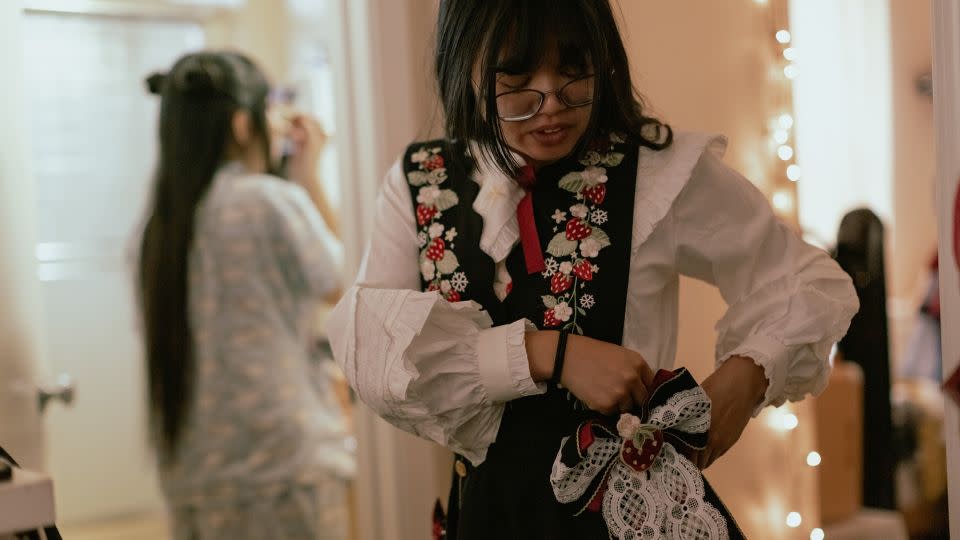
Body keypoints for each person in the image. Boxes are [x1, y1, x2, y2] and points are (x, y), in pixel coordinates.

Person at [327, 1, 859, 538]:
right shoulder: (421, 181)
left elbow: (808, 281)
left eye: (574, 71)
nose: (552, 105)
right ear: (465, 65)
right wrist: (548, 354)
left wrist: (745, 379)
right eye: (518, 80)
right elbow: (372, 350)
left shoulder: (654, 171)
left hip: (632, 519)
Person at [137, 51, 354, 540]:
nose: (278, 123)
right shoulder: (269, 200)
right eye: (271, 107)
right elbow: (349, 289)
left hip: (195, 469)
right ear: (241, 124)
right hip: (283, 464)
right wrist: (310, 175)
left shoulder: (156, 230)